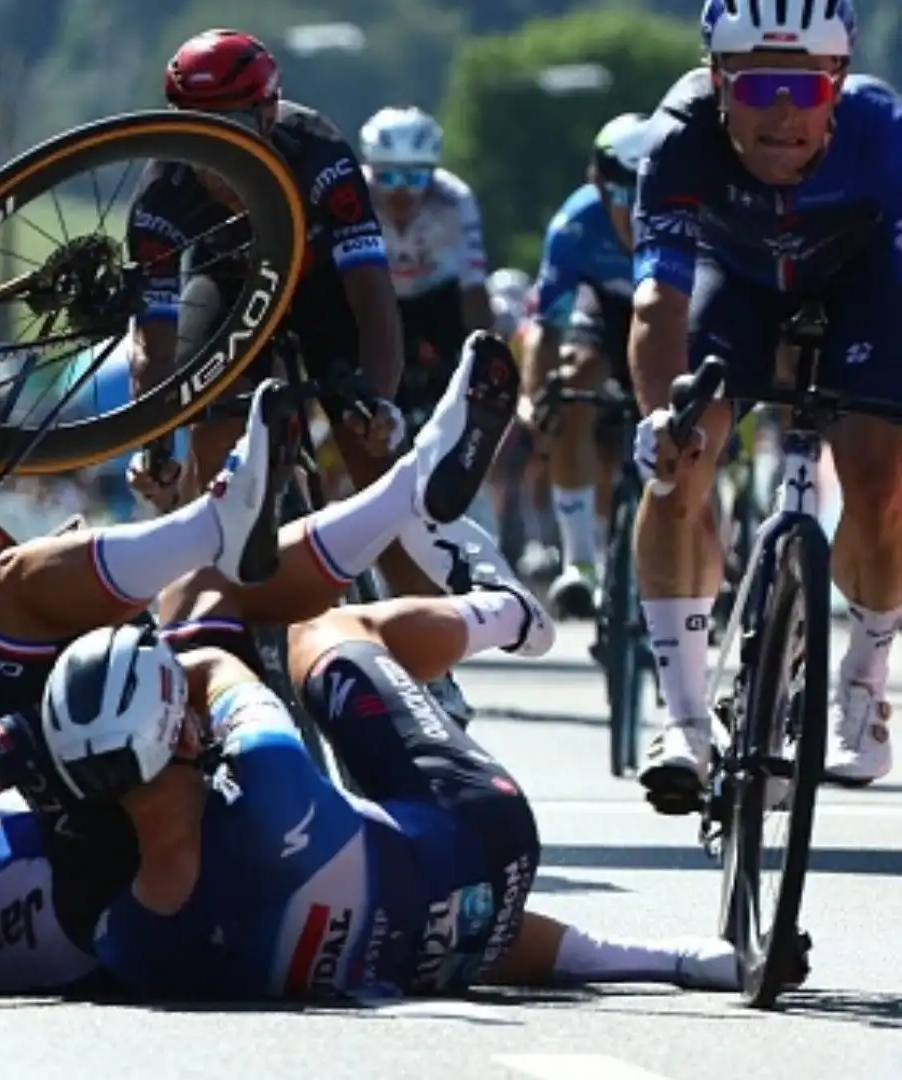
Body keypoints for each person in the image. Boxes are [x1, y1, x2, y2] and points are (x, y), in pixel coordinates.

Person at [0, 332, 749, 999]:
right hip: (109, 874)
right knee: (62, 602)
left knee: (208, 607)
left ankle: (389, 503)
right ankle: (334, 520)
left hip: (102, 833)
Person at [123, 28, 511, 728]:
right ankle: (233, 641)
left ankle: (431, 667)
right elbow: (154, 347)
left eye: (233, 127)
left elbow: (373, 298)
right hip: (229, 292)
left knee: (377, 465)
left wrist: (380, 403)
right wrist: (154, 442)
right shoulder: (163, 190)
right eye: (194, 129)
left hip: (324, 288)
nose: (214, 148)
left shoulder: (318, 153)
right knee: (208, 445)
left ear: (268, 113)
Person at [633, 0, 902, 804]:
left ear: (838, 86)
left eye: (805, 88)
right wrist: (660, 420)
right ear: (718, 82)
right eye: (757, 89)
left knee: (880, 478)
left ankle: (864, 681)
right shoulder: (680, 136)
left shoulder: (884, 133)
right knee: (681, 460)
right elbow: (657, 304)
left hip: (864, 284)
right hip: (736, 279)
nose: (782, 114)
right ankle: (681, 718)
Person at [523, 113, 648, 621]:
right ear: (598, 183)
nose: (635, 213)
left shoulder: (694, 211)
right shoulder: (574, 225)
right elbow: (548, 327)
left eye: (648, 195)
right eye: (623, 196)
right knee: (571, 385)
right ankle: (580, 562)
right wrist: (537, 399)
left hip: (674, 310)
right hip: (606, 311)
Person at [358, 106, 494, 414]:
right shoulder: (354, 193)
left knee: (471, 373)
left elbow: (473, 286)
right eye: (387, 176)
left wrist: (486, 361)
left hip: (438, 296)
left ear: (433, 173)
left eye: (415, 177)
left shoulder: (455, 199)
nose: (401, 191)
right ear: (370, 169)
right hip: (381, 296)